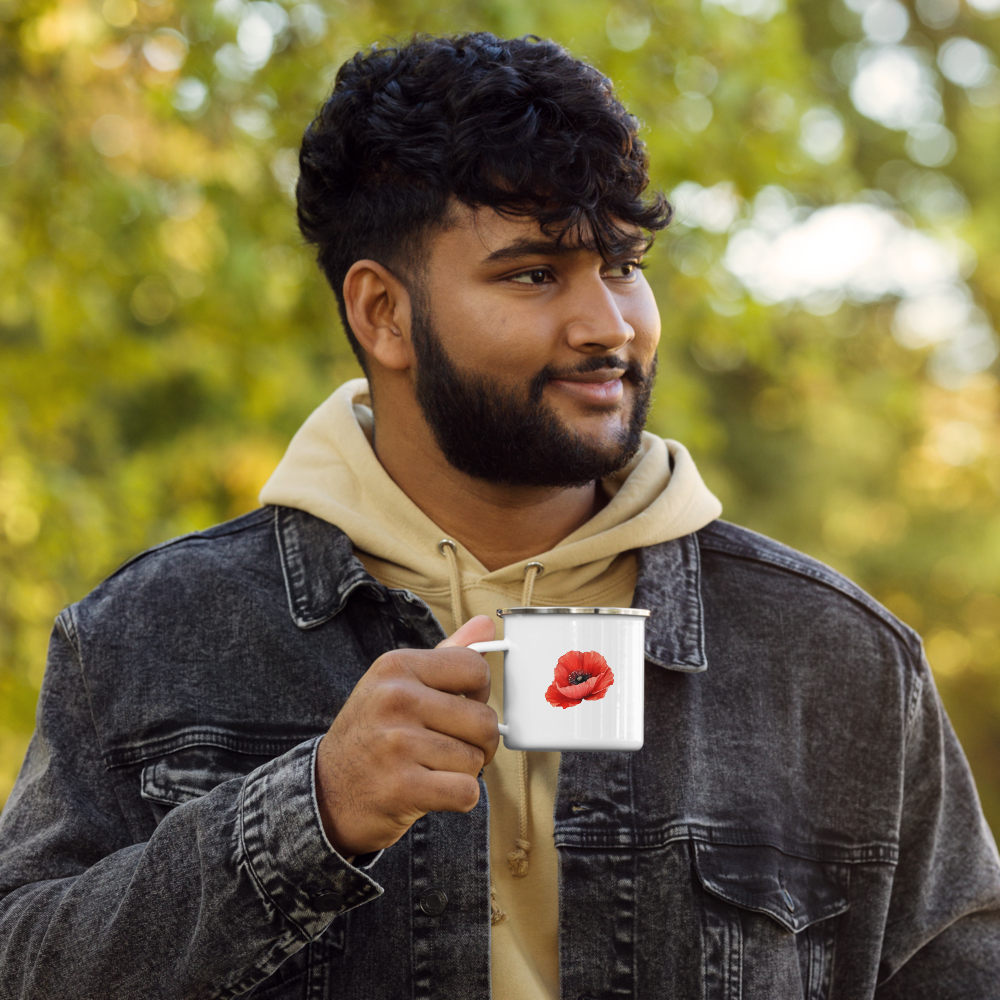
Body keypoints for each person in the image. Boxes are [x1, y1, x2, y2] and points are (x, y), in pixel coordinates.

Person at [1, 31, 998, 1000]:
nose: (608, 324)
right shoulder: (144, 636)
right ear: (381, 313)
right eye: (534, 271)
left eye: (622, 262)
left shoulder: (837, 658)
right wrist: (308, 814)